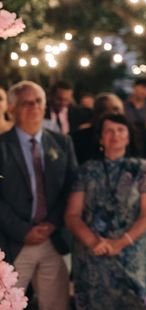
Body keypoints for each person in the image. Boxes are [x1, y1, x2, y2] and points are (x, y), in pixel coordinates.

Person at [65, 114, 146, 309]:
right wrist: (94, 242)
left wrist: (120, 242)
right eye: (108, 130)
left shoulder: (143, 169)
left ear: (128, 136)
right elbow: (72, 215)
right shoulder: (86, 170)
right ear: (100, 139)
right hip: (92, 253)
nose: (115, 135)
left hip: (131, 252)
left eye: (120, 130)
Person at [0, 81, 78, 310]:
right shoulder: (2, 146)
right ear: (11, 109)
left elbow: (71, 188)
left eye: (38, 102)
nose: (34, 107)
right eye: (26, 103)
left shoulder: (62, 143)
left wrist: (52, 223)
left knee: (55, 305)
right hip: (12, 241)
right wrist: (22, 230)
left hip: (53, 240)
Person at [73, 93, 126, 165]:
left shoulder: (128, 137)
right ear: (101, 113)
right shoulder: (78, 138)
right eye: (116, 110)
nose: (121, 115)